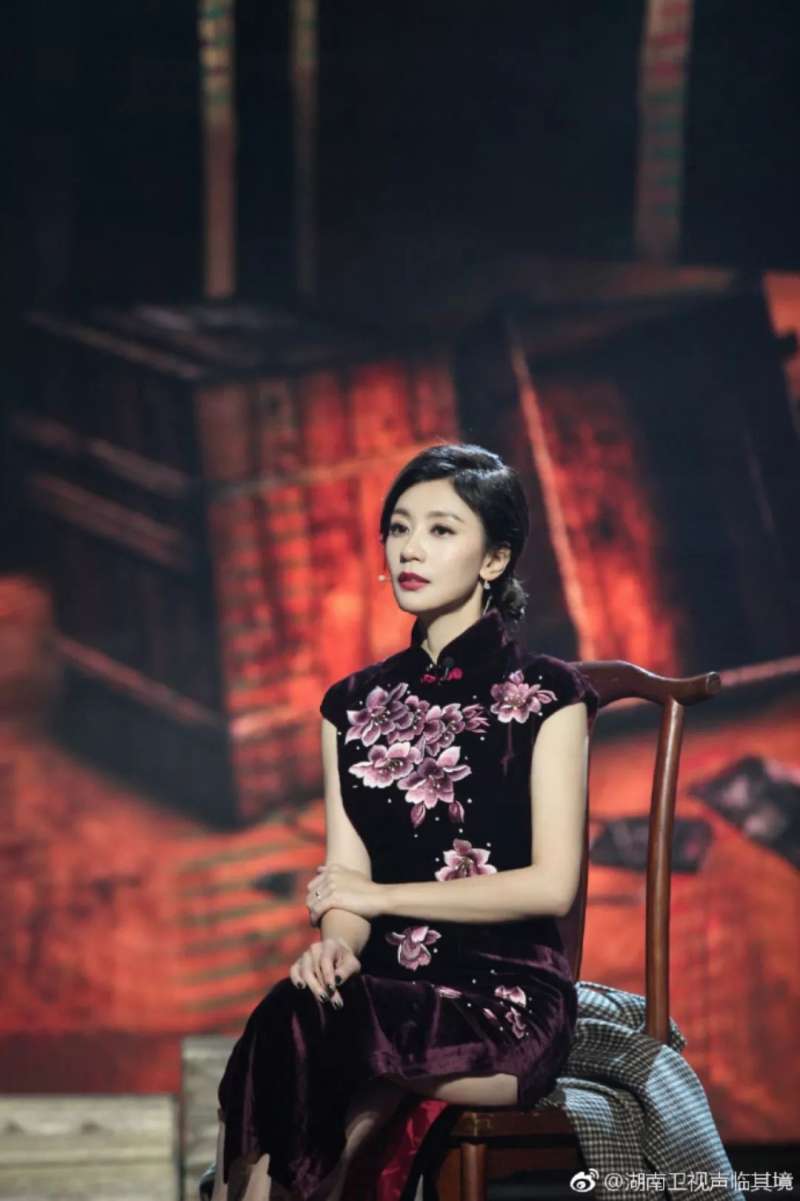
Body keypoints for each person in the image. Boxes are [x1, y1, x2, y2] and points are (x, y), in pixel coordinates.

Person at [209, 442, 600, 1201]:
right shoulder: (349, 704)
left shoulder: (548, 693)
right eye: (398, 527)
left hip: (502, 999)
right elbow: (345, 880)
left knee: (323, 1036)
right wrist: (336, 946)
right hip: (381, 989)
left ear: (495, 559)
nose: (410, 549)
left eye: (441, 529)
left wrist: (378, 898)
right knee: (299, 1009)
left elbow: (551, 887)